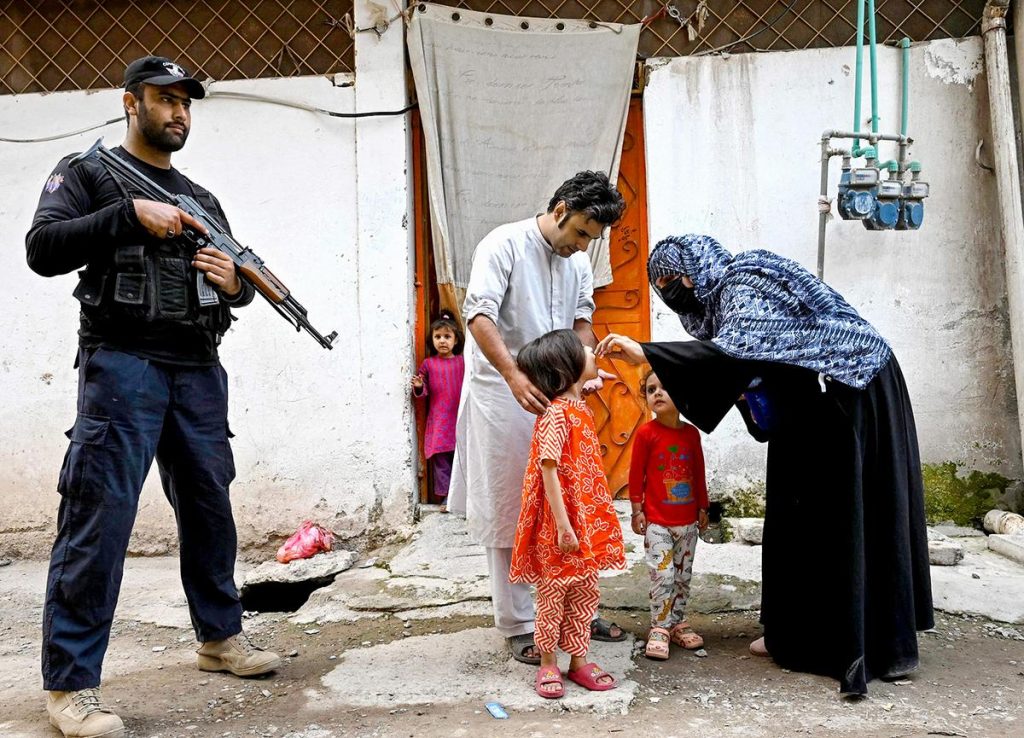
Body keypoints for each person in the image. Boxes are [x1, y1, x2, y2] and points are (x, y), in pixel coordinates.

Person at [25, 56, 281, 738]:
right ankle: (71, 686)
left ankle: (219, 638)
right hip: (123, 366)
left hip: (197, 368)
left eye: (187, 104)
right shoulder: (88, 174)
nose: (178, 113)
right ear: (130, 102)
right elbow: (43, 248)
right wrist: (127, 216)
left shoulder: (202, 198)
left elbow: (236, 291)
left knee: (209, 507)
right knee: (100, 518)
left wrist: (233, 283)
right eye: (164, 100)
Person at [596, 234, 933, 696]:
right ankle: (792, 634)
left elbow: (734, 356)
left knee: (839, 515)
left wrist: (648, 352)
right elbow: (748, 365)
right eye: (664, 285)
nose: (676, 289)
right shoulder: (725, 303)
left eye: (676, 278)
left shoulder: (746, 282)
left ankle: (866, 643)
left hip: (853, 390)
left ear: (698, 268)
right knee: (796, 514)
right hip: (814, 402)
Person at [447, 171, 626, 665]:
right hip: (504, 395)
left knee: (572, 496)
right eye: (582, 233)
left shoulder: (578, 263)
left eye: (593, 238)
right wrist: (512, 375)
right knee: (514, 505)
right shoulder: (502, 244)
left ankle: (573, 613)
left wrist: (584, 368)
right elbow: (478, 314)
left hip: (563, 401)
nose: (583, 245)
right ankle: (520, 623)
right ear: (562, 209)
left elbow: (582, 320)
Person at [509, 329, 626, 698]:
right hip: (561, 526)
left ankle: (577, 660)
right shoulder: (556, 416)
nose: (594, 353)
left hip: (585, 523)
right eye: (587, 352)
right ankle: (547, 663)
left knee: (585, 592)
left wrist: (589, 383)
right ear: (568, 369)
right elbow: (548, 469)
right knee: (554, 593)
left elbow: (579, 392)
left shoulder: (575, 406)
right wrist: (562, 524)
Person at [629, 369, 709, 660]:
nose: (657, 393)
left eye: (665, 387)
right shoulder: (645, 434)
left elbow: (698, 473)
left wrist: (703, 506)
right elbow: (636, 474)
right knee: (662, 575)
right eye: (651, 389)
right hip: (657, 523)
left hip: (687, 524)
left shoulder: (691, 434)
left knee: (682, 576)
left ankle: (677, 622)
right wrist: (636, 510)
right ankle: (659, 628)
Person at [412, 310, 466, 511]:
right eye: (437, 337)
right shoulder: (428, 364)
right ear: (432, 339)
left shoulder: (462, 362)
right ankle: (446, 499)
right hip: (440, 422)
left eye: (447, 336)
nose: (442, 341)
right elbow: (422, 391)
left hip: (459, 419)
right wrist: (418, 385)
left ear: (455, 340)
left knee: (461, 460)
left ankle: (463, 497)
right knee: (441, 463)